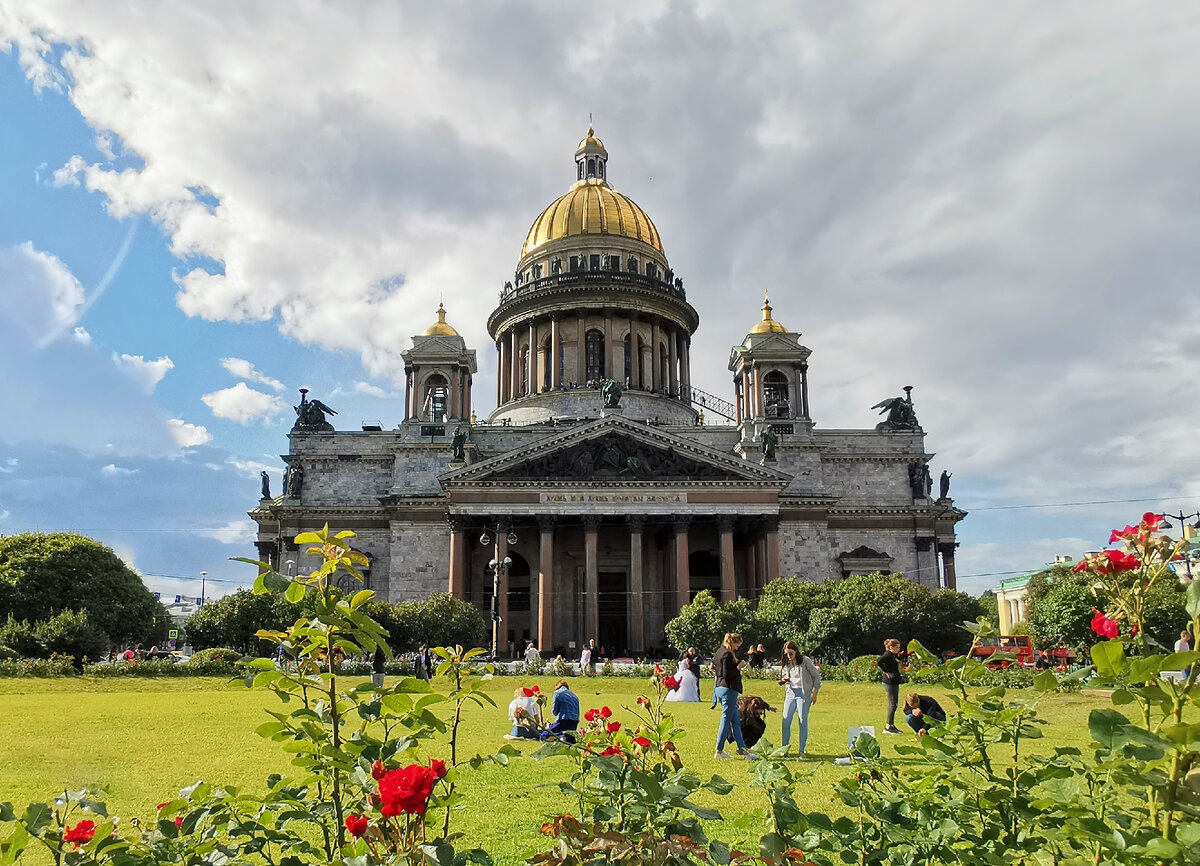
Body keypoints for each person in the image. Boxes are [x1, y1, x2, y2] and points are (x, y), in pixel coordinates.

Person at [712, 632, 757, 760]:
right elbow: (727, 675)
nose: (738, 648)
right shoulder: (726, 654)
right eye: (737, 645)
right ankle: (719, 751)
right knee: (725, 719)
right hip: (728, 689)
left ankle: (742, 750)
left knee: (736, 721)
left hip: (720, 688)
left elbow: (715, 666)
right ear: (733, 642)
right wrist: (738, 667)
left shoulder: (719, 651)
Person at [779, 641, 822, 757]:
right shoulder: (787, 663)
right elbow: (784, 675)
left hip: (803, 693)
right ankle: (784, 749)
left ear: (796, 651)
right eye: (786, 654)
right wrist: (785, 678)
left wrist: (815, 694)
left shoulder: (805, 661)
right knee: (786, 720)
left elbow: (816, 676)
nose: (789, 656)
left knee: (802, 721)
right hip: (790, 693)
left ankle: (801, 750)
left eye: (791, 653)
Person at [878, 638, 904, 735]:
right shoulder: (887, 655)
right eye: (897, 647)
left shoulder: (893, 655)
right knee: (893, 704)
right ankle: (888, 726)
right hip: (889, 683)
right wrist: (886, 672)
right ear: (890, 647)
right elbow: (879, 661)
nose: (899, 649)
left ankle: (892, 725)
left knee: (894, 704)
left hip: (894, 682)